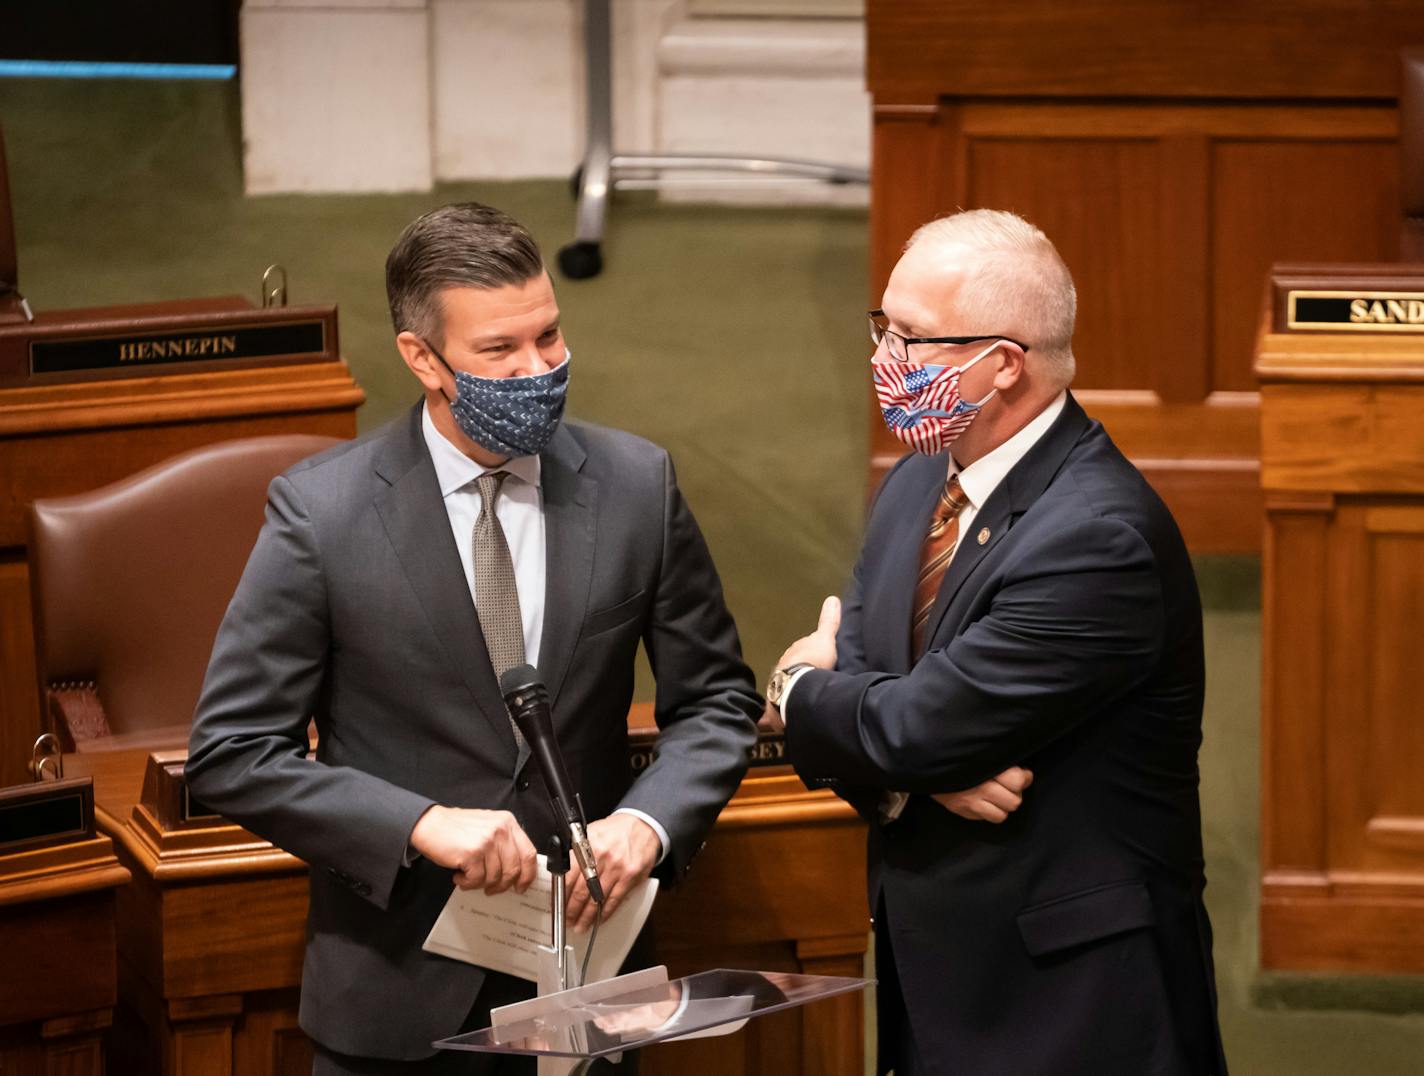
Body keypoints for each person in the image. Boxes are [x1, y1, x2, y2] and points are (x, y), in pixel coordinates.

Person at [186, 202, 762, 1074]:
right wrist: (417, 822)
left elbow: (718, 700)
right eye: (500, 351)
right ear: (423, 359)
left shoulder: (638, 485)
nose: (537, 369)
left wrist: (648, 821)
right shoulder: (322, 515)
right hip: (396, 1005)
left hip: (588, 999)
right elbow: (231, 752)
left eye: (550, 338)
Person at [764, 210, 1228, 1075]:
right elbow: (891, 705)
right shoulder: (915, 485)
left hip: (1072, 1010)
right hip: (937, 981)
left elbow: (903, 725)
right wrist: (920, 771)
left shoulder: (1097, 538)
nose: (883, 359)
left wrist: (794, 687)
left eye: (912, 338)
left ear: (1003, 364)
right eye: (883, 326)